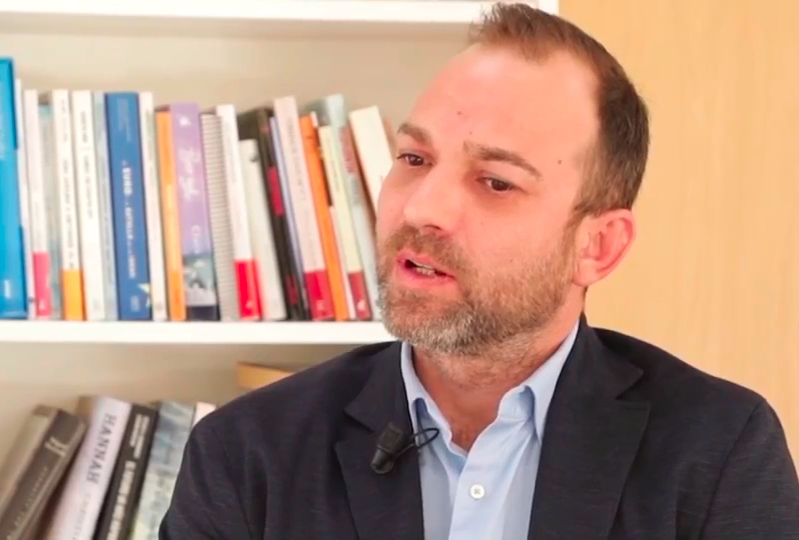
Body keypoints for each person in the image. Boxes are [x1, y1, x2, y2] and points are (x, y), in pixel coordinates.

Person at [159, 3, 799, 539]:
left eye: (495, 181)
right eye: (414, 158)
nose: (423, 207)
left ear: (598, 246)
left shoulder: (717, 452)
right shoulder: (245, 453)